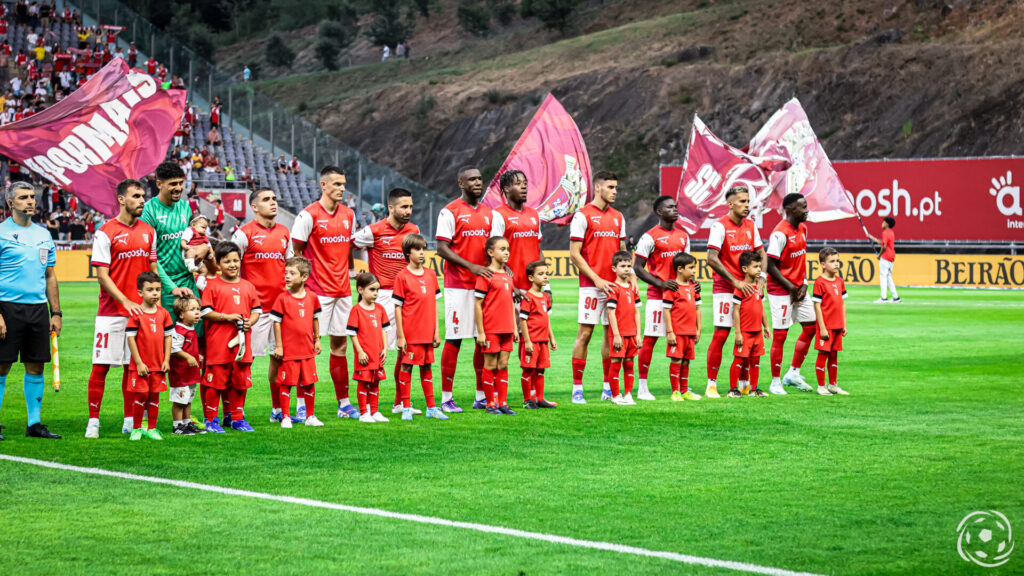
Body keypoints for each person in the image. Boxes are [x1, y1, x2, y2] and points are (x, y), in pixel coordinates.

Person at [86, 179, 158, 439]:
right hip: (110, 312)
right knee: (101, 366)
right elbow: (103, 276)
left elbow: (152, 273)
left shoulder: (149, 231)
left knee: (133, 367)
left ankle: (130, 420)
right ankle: (93, 421)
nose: (142, 200)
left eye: (143, 196)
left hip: (139, 314)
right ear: (121, 199)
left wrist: (155, 305)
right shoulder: (105, 232)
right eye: (136, 196)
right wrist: (125, 301)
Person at [291, 166, 357, 418]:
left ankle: (344, 404)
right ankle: (300, 405)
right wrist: (301, 287)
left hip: (343, 291)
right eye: (337, 184)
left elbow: (348, 248)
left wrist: (351, 275)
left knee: (340, 347)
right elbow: (296, 252)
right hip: (316, 292)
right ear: (323, 185)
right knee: (306, 350)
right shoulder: (308, 215)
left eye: (343, 184)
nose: (342, 189)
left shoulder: (349, 214)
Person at [0, 181, 62, 440]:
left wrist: (56, 312)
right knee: (1, 366)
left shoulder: (43, 234)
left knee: (36, 365)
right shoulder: (1, 232)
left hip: (37, 309)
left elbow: (50, 276)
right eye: (24, 197)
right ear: (10, 203)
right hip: (6, 307)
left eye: (32, 197)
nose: (30, 201)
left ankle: (34, 424)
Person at [352, 187, 420, 413]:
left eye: (410, 206)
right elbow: (351, 244)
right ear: (390, 208)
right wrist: (356, 273)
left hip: (407, 296)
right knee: (376, 350)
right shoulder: (374, 230)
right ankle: (369, 406)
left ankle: (400, 402)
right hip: (382, 296)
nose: (408, 210)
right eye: (404, 206)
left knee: (405, 349)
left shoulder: (413, 230)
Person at [232, 188, 294, 422]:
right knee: (245, 360)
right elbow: (229, 266)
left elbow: (289, 267)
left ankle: (277, 410)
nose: (273, 203)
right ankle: (237, 411)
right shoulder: (244, 234)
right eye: (266, 200)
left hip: (279, 308)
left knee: (279, 357)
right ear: (254, 207)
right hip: (253, 310)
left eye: (275, 199)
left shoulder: (284, 232)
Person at [435, 167, 493, 413]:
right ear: (461, 182)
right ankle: (446, 397)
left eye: (480, 179)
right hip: (458, 285)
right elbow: (441, 248)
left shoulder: (491, 214)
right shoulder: (450, 211)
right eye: (472, 179)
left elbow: (496, 248)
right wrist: (472, 266)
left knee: (482, 341)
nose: (478, 182)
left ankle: (481, 396)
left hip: (484, 286)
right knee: (455, 339)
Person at [568, 170, 627, 404]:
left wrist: (627, 276)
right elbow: (574, 254)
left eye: (616, 188)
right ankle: (577, 388)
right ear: (598, 188)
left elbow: (622, 251)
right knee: (585, 334)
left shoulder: (618, 217)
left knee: (611, 334)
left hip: (614, 286)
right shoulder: (582, 215)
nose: (615, 192)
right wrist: (596, 279)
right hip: (591, 286)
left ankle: (607, 387)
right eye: (611, 187)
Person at [704, 186, 765, 399]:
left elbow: (761, 253)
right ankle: (711, 383)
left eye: (748, 201)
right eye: (742, 201)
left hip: (748, 288)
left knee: (749, 335)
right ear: (730, 204)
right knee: (722, 334)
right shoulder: (719, 226)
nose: (746, 205)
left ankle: (744, 382)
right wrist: (734, 281)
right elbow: (711, 258)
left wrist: (762, 277)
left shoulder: (751, 225)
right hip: (725, 287)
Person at [633, 195, 691, 400]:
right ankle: (642, 387)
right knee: (650, 339)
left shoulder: (684, 236)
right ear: (659, 212)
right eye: (669, 207)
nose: (675, 210)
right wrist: (660, 283)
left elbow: (687, 268)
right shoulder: (649, 237)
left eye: (676, 207)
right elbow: (637, 267)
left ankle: (682, 387)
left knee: (684, 340)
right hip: (658, 297)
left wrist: (693, 284)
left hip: (680, 298)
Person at [200, 242, 261, 433]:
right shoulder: (212, 286)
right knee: (215, 382)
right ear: (218, 264)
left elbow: (257, 310)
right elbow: (205, 312)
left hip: (242, 345)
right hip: (219, 344)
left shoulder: (248, 286)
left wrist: (251, 321)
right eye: (227, 261)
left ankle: (236, 418)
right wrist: (226, 317)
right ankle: (211, 419)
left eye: (235, 260)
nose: (232, 265)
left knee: (239, 382)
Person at [393, 233, 447, 420]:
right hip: (411, 332)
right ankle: (406, 406)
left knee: (427, 368)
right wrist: (400, 335)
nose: (422, 253)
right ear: (408, 253)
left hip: (427, 332)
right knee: (407, 367)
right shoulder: (402, 277)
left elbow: (433, 304)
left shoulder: (431, 275)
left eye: (424, 249)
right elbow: (398, 308)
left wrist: (437, 331)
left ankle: (431, 407)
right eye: (417, 249)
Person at [767, 193, 815, 394]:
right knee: (780, 335)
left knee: (811, 326)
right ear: (789, 210)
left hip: (798, 288)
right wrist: (790, 287)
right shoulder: (779, 234)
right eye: (802, 207)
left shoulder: (803, 228)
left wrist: (803, 284)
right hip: (780, 290)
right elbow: (769, 265)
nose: (806, 210)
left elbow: (800, 261)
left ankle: (793, 373)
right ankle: (775, 382)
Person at [270, 257, 324, 428]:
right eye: (286, 273)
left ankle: (310, 416)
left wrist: (317, 340)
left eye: (292, 273)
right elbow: (276, 323)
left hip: (307, 350)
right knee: (286, 384)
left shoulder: (313, 298)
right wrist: (279, 345)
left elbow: (315, 319)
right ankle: (285, 416)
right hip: (289, 351)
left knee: (309, 383)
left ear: (304, 277)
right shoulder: (282, 299)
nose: (287, 276)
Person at [141, 162, 196, 316]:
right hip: (164, 286)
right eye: (173, 184)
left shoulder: (185, 207)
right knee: (168, 337)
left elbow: (192, 241)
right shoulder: (148, 211)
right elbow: (151, 256)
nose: (178, 188)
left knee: (195, 336)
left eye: (180, 183)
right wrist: (170, 287)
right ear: (159, 184)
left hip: (188, 282)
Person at [473, 236, 519, 415]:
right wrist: (481, 332)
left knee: (504, 364)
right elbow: (478, 304)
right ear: (490, 252)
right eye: (502, 249)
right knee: (490, 365)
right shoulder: (486, 275)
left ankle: (503, 403)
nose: (506, 252)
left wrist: (515, 328)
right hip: (491, 329)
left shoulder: (508, 276)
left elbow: (510, 304)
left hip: (507, 328)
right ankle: (490, 403)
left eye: (507, 248)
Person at [125, 272, 173, 440]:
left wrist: (166, 360)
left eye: (158, 290)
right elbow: (131, 339)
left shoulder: (164, 314)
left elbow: (168, 337)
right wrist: (138, 363)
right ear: (140, 292)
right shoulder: (136, 314)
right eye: (150, 290)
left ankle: (152, 428)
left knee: (154, 395)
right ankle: (137, 428)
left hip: (158, 365)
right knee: (141, 394)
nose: (155, 293)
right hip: (141, 365)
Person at [347, 273, 390, 423]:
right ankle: (364, 412)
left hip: (377, 355)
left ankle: (375, 410)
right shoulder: (356, 310)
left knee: (375, 382)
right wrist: (360, 352)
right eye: (372, 290)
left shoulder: (380, 309)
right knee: (363, 383)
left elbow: (384, 329)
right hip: (365, 355)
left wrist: (385, 348)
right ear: (360, 290)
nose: (376, 293)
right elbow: (352, 333)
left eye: (377, 290)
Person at [491, 169, 543, 291]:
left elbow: (538, 250)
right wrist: (510, 284)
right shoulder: (498, 215)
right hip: (511, 288)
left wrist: (546, 287)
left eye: (525, 183)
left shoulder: (534, 214)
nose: (524, 187)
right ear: (507, 188)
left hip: (533, 288)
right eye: (518, 183)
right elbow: (494, 254)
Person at [729, 251, 771, 398]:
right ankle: (733, 389)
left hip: (757, 332)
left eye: (760, 266)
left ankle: (754, 389)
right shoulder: (741, 287)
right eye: (755, 266)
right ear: (745, 269)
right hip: (745, 332)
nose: (759, 269)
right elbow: (736, 311)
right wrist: (738, 333)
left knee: (756, 361)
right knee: (739, 359)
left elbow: (761, 308)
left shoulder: (759, 287)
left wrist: (766, 326)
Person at [517, 260, 557, 409]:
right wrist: (527, 341)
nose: (545, 277)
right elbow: (523, 320)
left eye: (546, 273)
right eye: (541, 274)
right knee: (528, 370)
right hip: (531, 341)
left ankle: (539, 399)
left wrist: (551, 337)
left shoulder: (545, 297)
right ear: (531, 278)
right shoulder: (528, 297)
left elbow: (546, 319)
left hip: (543, 341)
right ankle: (527, 400)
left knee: (541, 370)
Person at [663, 252, 702, 402]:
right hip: (677, 332)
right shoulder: (672, 287)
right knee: (677, 361)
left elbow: (697, 309)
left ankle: (685, 390)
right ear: (680, 269)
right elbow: (667, 310)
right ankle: (675, 391)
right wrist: (670, 332)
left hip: (690, 332)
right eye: (691, 268)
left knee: (686, 361)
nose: (694, 271)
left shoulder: (694, 287)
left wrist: (698, 330)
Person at [812, 247, 849, 396]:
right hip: (826, 327)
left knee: (834, 355)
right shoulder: (819, 282)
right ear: (822, 264)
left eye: (838, 261)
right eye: (832, 261)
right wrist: (822, 328)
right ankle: (821, 386)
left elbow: (843, 303)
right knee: (823, 354)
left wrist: (844, 324)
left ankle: (833, 384)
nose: (836, 264)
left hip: (838, 326)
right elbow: (817, 306)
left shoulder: (840, 281)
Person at [605, 251, 641, 405]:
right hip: (619, 334)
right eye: (622, 266)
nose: (626, 269)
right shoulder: (614, 288)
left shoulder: (633, 288)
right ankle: (615, 395)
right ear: (614, 269)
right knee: (616, 362)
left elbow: (637, 312)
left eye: (628, 266)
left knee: (629, 363)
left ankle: (628, 394)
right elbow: (611, 313)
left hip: (632, 334)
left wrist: (638, 334)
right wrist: (617, 335)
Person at [169, 295, 203, 435]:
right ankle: (177, 426)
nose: (197, 312)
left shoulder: (190, 328)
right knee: (179, 401)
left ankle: (187, 423)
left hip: (191, 373)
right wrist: (188, 356)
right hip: (180, 374)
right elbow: (173, 348)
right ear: (182, 314)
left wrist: (196, 356)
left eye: (198, 309)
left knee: (188, 399)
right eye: (192, 309)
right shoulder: (178, 330)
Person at [866, 217, 900, 303]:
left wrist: (879, 255)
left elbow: (884, 246)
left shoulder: (885, 232)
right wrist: (871, 237)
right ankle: (896, 297)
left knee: (883, 276)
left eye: (883, 222)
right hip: (891, 257)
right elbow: (882, 242)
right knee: (888, 277)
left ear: (887, 224)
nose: (882, 224)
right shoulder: (891, 233)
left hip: (885, 257)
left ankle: (883, 298)